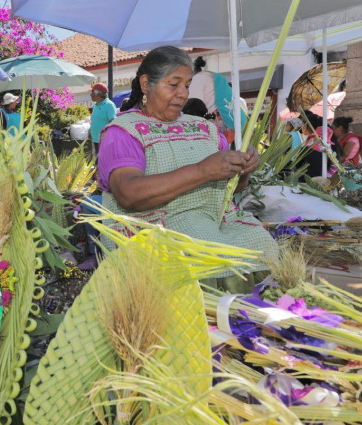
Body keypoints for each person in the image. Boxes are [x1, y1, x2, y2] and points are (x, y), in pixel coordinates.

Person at [97, 46, 278, 291]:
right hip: (158, 231)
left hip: (217, 223)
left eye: (187, 85)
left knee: (262, 242)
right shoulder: (122, 131)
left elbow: (229, 191)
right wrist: (202, 171)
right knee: (206, 248)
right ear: (145, 84)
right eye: (174, 84)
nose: (183, 94)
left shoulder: (204, 129)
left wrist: (242, 171)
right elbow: (129, 194)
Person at [299, 111, 333, 178]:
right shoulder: (325, 142)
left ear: (306, 125)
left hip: (308, 180)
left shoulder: (311, 143)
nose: (301, 127)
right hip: (321, 179)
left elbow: (298, 163)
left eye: (302, 124)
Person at [89, 82, 116, 153]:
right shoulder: (95, 105)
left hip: (105, 141)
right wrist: (90, 132)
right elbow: (94, 120)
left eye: (92, 92)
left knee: (105, 162)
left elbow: (113, 123)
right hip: (95, 139)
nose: (90, 95)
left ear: (99, 93)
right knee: (98, 162)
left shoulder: (109, 105)